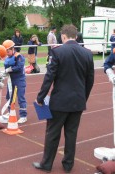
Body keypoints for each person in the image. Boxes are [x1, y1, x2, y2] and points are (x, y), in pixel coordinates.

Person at [33, 24, 94, 173]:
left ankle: (46, 164)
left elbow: (49, 77)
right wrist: (83, 98)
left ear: (63, 36)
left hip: (59, 102)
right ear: (76, 36)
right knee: (71, 134)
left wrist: (40, 97)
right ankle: (68, 165)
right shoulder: (87, 53)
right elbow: (90, 80)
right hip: (77, 102)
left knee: (52, 133)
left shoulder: (57, 52)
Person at [2, 40, 27, 123]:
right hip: (11, 80)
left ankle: (23, 115)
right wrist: (4, 73)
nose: (7, 53)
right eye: (6, 52)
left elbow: (19, 67)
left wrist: (10, 69)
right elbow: (6, 68)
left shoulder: (19, 56)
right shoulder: (7, 58)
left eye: (8, 51)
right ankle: (10, 113)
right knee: (9, 97)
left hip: (19, 79)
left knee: (20, 97)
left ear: (12, 49)